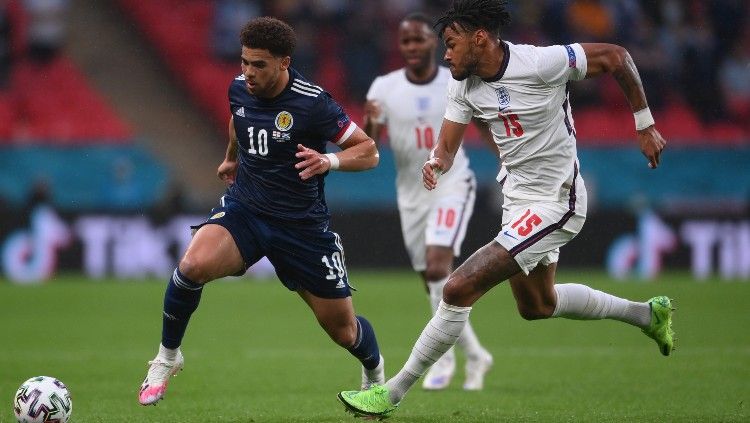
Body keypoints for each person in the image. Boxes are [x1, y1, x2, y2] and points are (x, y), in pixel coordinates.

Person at [338, 0, 673, 418]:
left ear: (480, 38)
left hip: (557, 200)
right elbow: (446, 143)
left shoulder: (540, 63)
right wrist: (436, 162)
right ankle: (647, 315)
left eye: (451, 43)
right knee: (538, 306)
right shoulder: (463, 83)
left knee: (458, 287)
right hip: (518, 201)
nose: (445, 54)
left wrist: (644, 124)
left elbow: (616, 57)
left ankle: (391, 393)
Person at [138, 16, 385, 406]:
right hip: (247, 210)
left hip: (301, 228)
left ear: (284, 62)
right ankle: (167, 357)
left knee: (342, 331)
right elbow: (239, 120)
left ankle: (374, 373)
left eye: (259, 65)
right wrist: (231, 158)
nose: (248, 73)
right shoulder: (238, 88)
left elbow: (369, 151)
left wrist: (329, 161)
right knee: (191, 267)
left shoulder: (312, 102)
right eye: (244, 62)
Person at [363, 12, 492, 391]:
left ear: (433, 43)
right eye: (406, 41)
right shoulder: (384, 87)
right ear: (400, 46)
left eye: (419, 39)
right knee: (432, 283)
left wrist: (508, 163)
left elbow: (483, 124)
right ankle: (476, 354)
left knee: (439, 267)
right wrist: (370, 122)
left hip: (452, 184)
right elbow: (368, 144)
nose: (413, 47)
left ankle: (444, 359)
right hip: (411, 194)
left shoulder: (456, 81)